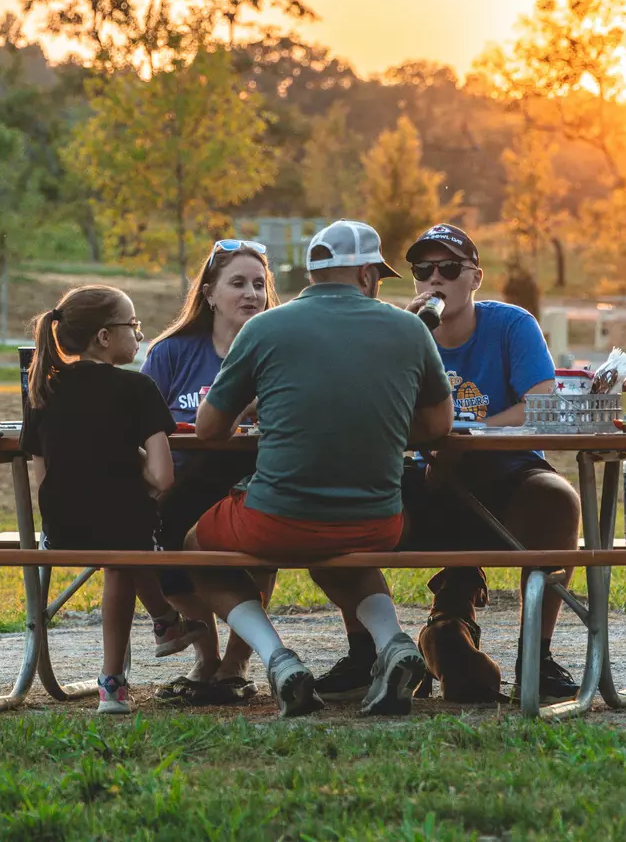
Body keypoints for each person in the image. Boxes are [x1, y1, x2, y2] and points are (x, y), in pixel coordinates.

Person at [184, 220, 455, 718]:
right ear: (370, 275)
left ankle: (277, 659)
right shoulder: (410, 327)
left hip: (277, 519)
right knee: (338, 546)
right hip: (378, 519)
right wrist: (385, 427)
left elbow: (207, 430)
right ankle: (392, 640)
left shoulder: (264, 327)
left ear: (311, 272)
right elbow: (440, 424)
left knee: (196, 549)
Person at [314, 223, 580, 706]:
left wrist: (470, 438)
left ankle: (535, 660)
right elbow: (369, 407)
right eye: (423, 270)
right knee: (332, 511)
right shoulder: (399, 329)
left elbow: (541, 402)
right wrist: (402, 340)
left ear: (475, 277)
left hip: (504, 471)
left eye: (450, 268)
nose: (435, 279)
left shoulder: (510, 324)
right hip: (419, 471)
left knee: (559, 502)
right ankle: (369, 653)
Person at [22, 285, 205, 715]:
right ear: (105, 337)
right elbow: (163, 477)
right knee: (124, 543)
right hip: (124, 529)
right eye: (134, 326)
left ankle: (164, 624)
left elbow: (44, 477)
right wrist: (135, 470)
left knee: (121, 535)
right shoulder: (137, 388)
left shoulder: (42, 391)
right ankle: (114, 683)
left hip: (60, 529)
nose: (140, 336)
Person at [141, 240, 279, 705]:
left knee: (254, 534)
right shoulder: (170, 353)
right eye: (237, 283)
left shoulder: (278, 351)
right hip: (172, 493)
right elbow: (139, 426)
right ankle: (206, 655)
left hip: (250, 493)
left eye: (259, 285)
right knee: (162, 543)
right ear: (209, 294)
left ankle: (236, 662)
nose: (252, 294)